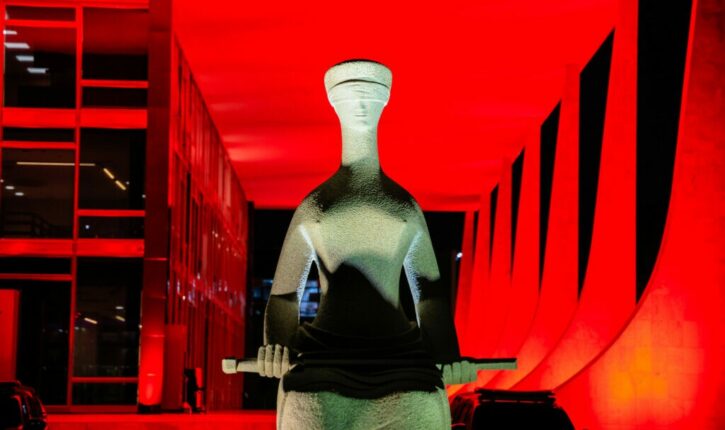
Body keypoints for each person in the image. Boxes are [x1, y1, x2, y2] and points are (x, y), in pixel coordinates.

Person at [258, 59, 477, 429]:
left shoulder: (404, 207)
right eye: (351, 98)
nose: (360, 105)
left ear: (384, 104)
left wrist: (445, 351)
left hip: (401, 356)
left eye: (369, 97)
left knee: (424, 406)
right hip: (323, 355)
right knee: (308, 409)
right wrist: (278, 344)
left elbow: (429, 295)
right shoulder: (316, 206)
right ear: (334, 106)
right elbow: (283, 296)